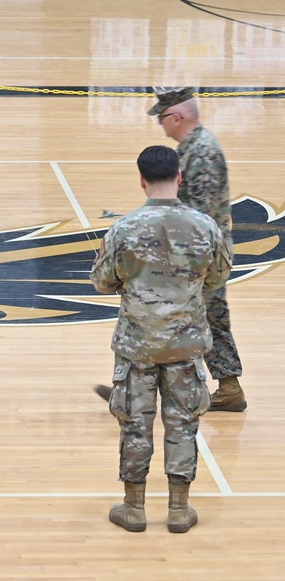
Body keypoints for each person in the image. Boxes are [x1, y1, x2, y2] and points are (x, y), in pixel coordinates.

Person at [91, 145, 230, 533]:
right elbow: (218, 278)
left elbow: (103, 282)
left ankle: (134, 509)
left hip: (138, 344)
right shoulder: (205, 227)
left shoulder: (123, 229)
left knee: (135, 424)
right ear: (179, 177)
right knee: (183, 424)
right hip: (186, 345)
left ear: (141, 180)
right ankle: (179, 510)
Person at [151, 87, 246, 412]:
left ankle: (140, 393)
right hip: (204, 254)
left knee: (160, 317)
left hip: (199, 257)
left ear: (176, 117)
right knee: (210, 319)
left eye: (162, 118)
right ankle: (229, 386)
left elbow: (198, 217)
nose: (161, 125)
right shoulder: (193, 148)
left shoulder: (201, 152)